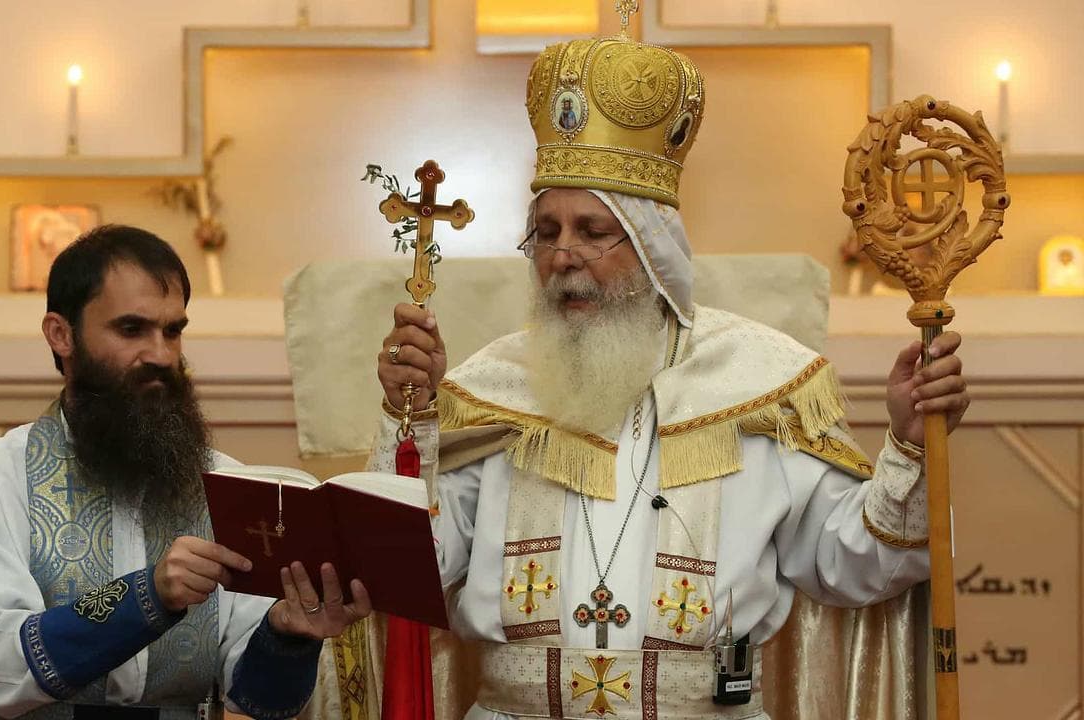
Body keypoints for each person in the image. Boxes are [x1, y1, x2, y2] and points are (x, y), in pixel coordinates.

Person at [368, 34, 968, 719]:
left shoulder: (755, 384)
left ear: (654, 249)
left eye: (594, 230)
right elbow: (406, 569)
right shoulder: (494, 389)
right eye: (548, 230)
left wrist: (912, 446)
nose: (563, 254)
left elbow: (859, 562)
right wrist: (410, 423)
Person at [0, 225, 371, 720]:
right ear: (61, 333)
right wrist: (150, 596)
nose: (161, 355)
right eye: (131, 329)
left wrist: (289, 635)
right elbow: (1, 668)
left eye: (173, 330)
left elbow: (257, 698)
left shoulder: (226, 488)